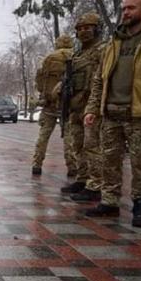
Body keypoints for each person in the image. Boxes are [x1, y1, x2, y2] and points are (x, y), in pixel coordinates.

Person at [83, 0, 141, 228]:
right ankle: (109, 202)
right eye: (124, 8)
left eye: (131, 8)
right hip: (111, 113)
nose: (126, 12)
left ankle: (140, 205)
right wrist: (93, 108)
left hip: (140, 114)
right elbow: (100, 78)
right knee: (110, 160)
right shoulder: (115, 41)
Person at [60, 13, 106, 200]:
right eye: (80, 29)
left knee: (92, 146)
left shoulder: (102, 50)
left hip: (91, 107)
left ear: (97, 29)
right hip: (75, 106)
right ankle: (83, 177)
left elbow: (102, 79)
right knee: (76, 145)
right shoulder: (77, 54)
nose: (83, 32)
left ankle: (96, 184)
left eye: (88, 28)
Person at [32, 35, 75, 176]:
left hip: (49, 103)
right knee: (70, 137)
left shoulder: (49, 58)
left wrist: (45, 94)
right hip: (69, 104)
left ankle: (37, 164)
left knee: (43, 136)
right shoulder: (76, 57)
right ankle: (72, 167)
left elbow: (40, 81)